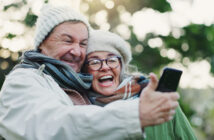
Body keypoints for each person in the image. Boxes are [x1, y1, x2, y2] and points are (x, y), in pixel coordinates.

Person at [0, 4, 180, 140]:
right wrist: (135, 115)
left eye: (83, 44)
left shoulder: (79, 87)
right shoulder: (23, 80)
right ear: (41, 43)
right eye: (67, 40)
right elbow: (50, 127)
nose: (77, 51)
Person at [83, 29, 197, 139]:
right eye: (94, 62)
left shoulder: (159, 101)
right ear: (84, 71)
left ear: (122, 67)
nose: (105, 67)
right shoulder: (81, 113)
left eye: (112, 60)